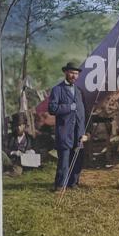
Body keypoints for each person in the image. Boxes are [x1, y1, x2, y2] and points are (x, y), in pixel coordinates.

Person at [48, 62, 89, 191]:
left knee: (77, 160)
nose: (74, 76)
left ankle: (73, 183)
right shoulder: (57, 89)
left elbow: (83, 113)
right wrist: (68, 108)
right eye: (71, 73)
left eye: (76, 73)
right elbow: (52, 108)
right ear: (66, 73)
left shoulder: (79, 91)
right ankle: (60, 185)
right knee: (64, 162)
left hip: (78, 133)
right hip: (64, 132)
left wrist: (84, 133)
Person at [4, 112, 35, 177]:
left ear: (24, 125)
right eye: (16, 125)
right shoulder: (9, 137)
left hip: (25, 162)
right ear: (14, 126)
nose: (18, 128)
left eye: (20, 125)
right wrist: (13, 152)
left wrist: (32, 151)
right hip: (10, 161)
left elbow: (35, 149)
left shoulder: (30, 138)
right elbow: (3, 149)